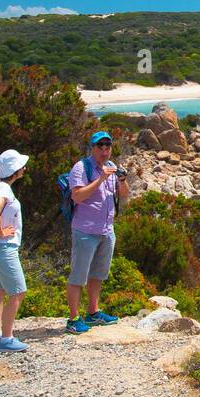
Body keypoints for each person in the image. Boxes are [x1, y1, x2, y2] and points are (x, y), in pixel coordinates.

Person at [65, 131, 130, 333]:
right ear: (92, 148)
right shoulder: (81, 168)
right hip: (85, 230)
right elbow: (77, 196)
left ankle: (93, 312)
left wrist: (123, 180)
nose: (104, 150)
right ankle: (73, 318)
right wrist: (100, 179)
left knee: (98, 274)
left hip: (106, 230)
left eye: (107, 147)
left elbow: (124, 196)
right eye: (100, 146)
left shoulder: (112, 167)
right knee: (78, 276)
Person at [0, 149, 30, 352]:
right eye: (22, 166)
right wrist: (2, 232)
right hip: (3, 247)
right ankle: (7, 338)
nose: (24, 168)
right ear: (16, 170)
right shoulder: (3, 190)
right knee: (18, 291)